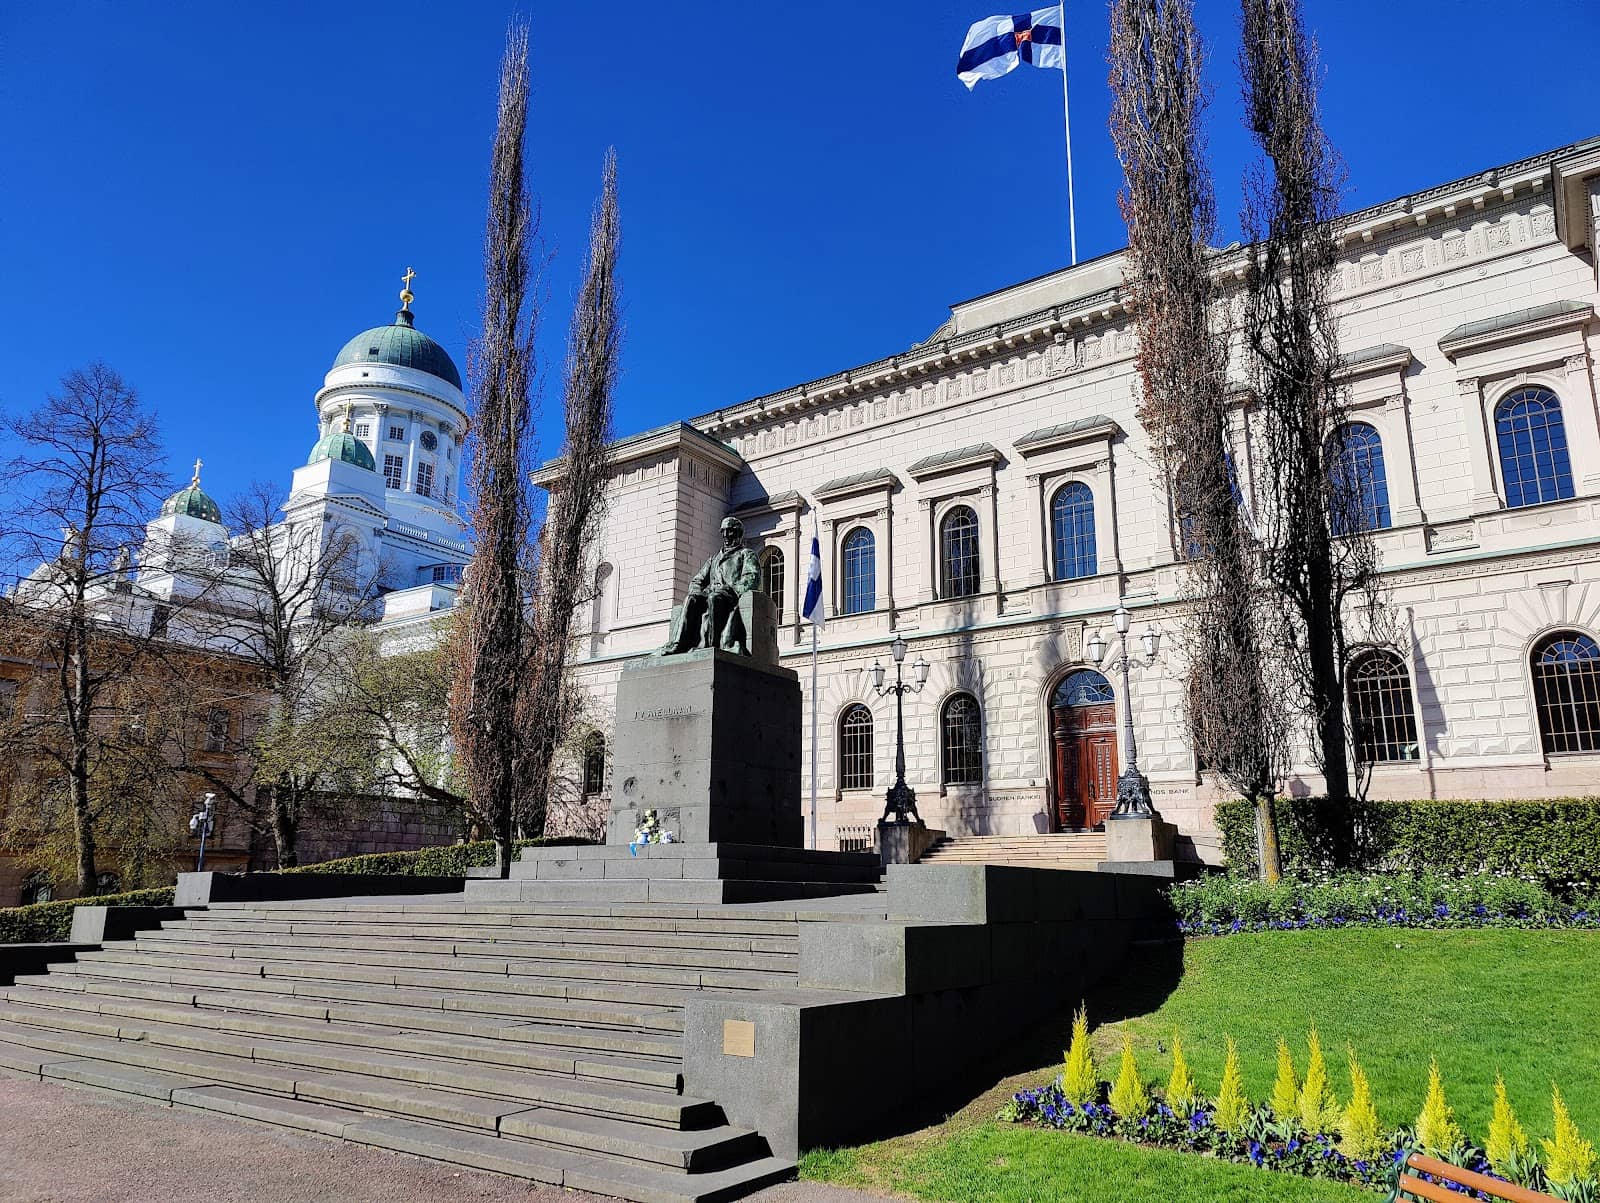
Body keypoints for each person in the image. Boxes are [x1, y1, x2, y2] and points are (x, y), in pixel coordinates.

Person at [657, 516, 761, 656]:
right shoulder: (714, 559)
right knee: (691, 599)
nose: (725, 535)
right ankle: (679, 644)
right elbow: (697, 581)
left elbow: (751, 577)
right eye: (723, 531)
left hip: (729, 596)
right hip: (711, 594)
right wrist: (698, 592)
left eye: (729, 531)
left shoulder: (746, 554)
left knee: (714, 598)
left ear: (738, 533)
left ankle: (712, 645)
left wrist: (732, 590)